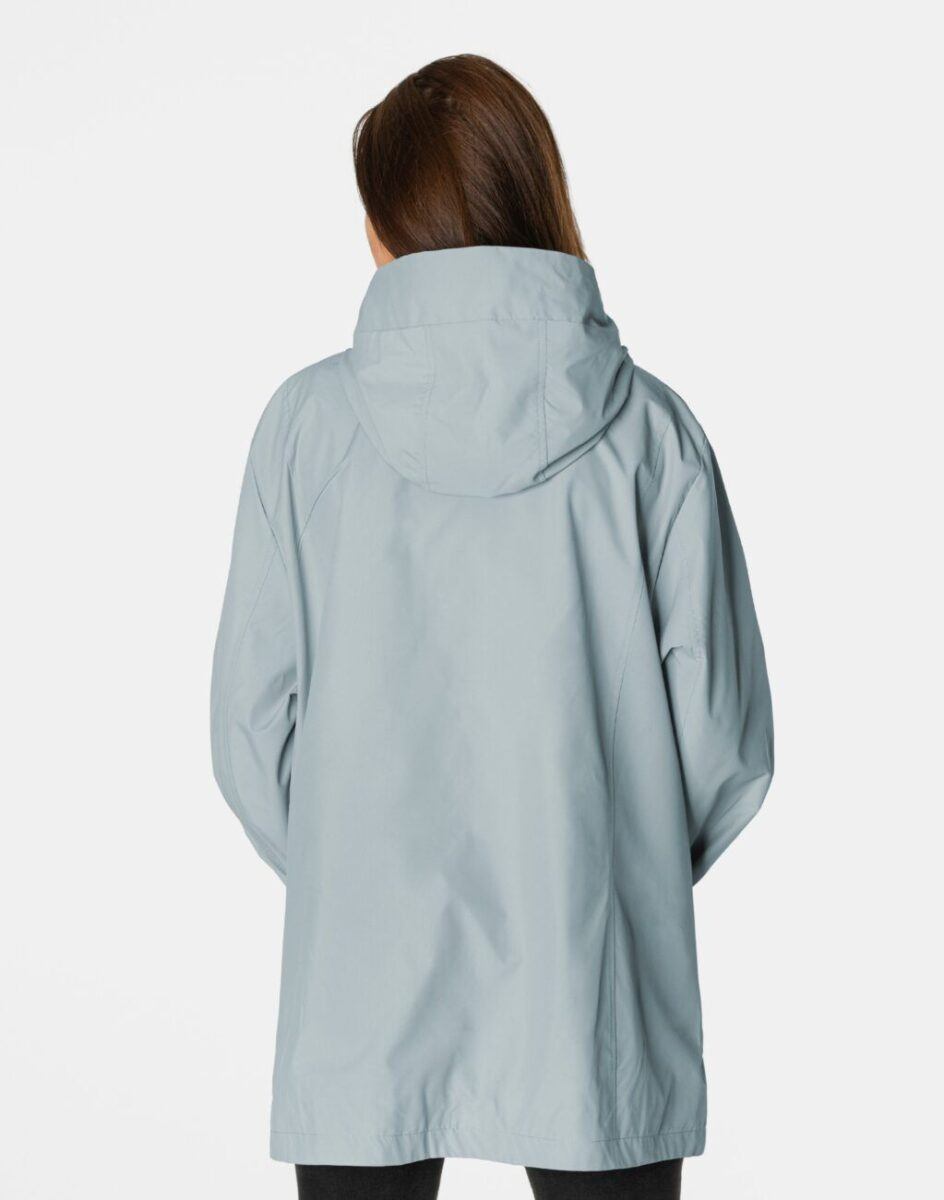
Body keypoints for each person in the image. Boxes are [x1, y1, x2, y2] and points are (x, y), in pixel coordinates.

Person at [211, 54, 773, 1200]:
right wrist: (609, 859)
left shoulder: (304, 430)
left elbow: (250, 735)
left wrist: (350, 859)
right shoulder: (652, 434)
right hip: (592, 981)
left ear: (388, 224)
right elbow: (721, 742)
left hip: (361, 987)